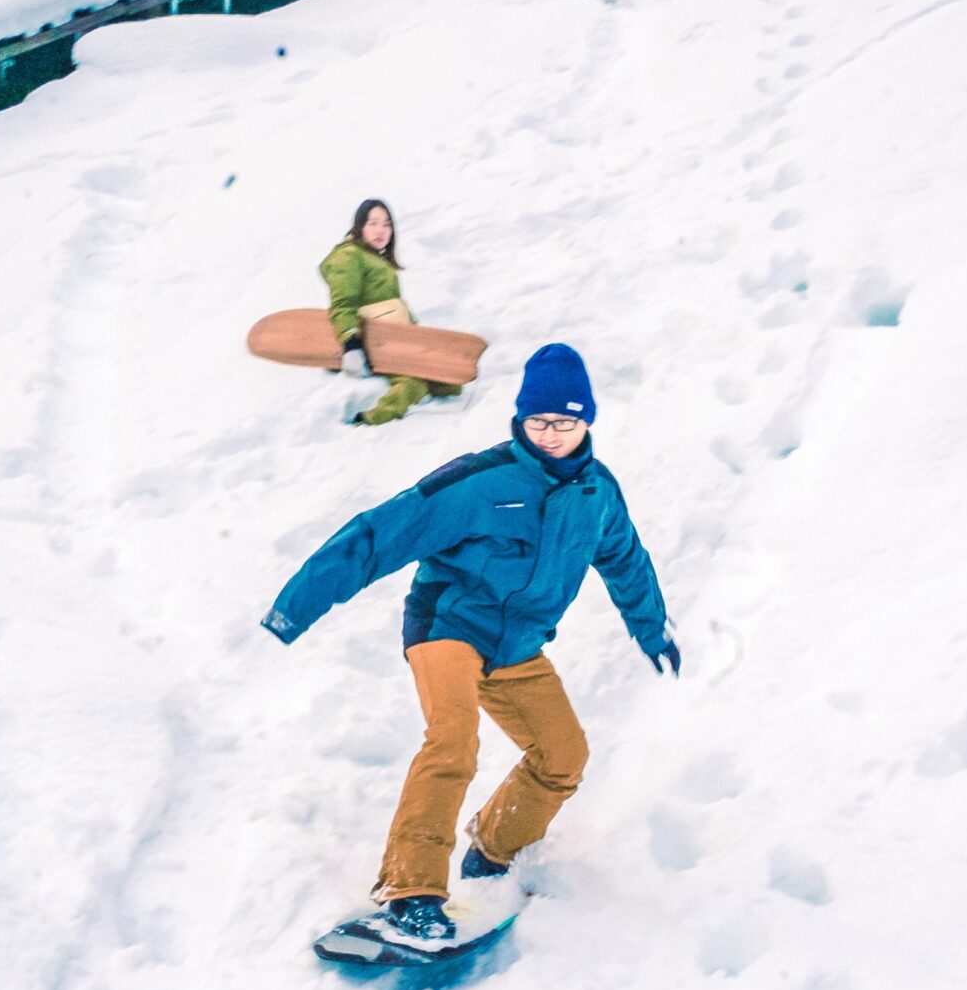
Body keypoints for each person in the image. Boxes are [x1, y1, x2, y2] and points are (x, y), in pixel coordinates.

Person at [263, 343, 679, 942]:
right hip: (449, 626)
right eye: (538, 422)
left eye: (564, 422)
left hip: (517, 645)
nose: (551, 434)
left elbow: (625, 561)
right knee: (452, 740)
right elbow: (380, 533)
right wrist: (295, 607)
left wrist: (651, 626)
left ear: (587, 421)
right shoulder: (482, 482)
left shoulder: (598, 495)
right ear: (520, 420)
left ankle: (492, 848)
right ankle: (409, 891)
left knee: (563, 756)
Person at [320, 198, 461, 427]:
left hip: (394, 338)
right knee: (412, 382)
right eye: (373, 223)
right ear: (360, 226)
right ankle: (369, 420)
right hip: (372, 342)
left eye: (387, 224)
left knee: (450, 384)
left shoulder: (374, 259)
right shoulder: (348, 256)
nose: (381, 230)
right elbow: (343, 303)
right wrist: (351, 344)